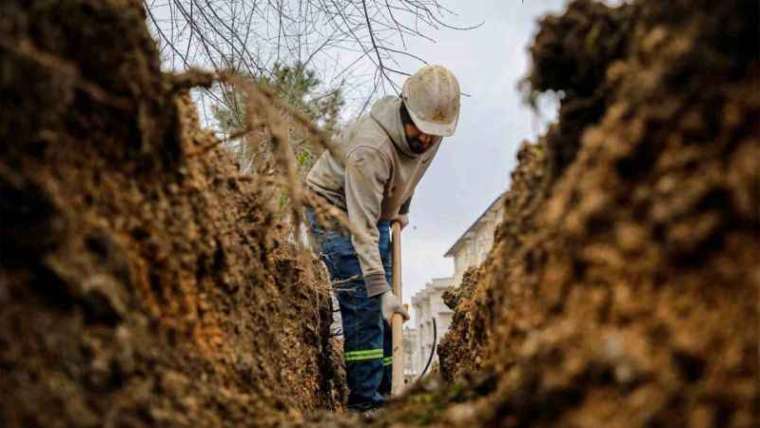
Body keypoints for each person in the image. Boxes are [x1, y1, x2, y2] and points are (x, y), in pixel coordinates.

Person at [305, 65, 461, 412]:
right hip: (332, 206)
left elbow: (412, 173)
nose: (425, 141)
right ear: (406, 111)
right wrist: (379, 285)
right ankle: (365, 406)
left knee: (386, 310)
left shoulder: (431, 134)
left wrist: (401, 207)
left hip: (372, 208)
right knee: (365, 297)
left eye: (433, 136)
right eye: (419, 132)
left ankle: (387, 397)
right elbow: (361, 229)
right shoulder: (370, 148)